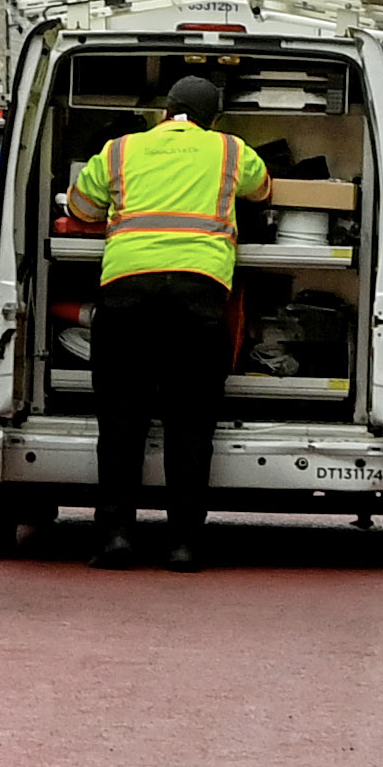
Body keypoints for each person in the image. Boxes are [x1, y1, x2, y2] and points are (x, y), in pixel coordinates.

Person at [66, 70, 271, 570]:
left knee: (120, 420)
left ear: (164, 112)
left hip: (127, 293)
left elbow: (81, 206)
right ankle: (183, 544)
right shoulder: (229, 149)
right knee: (191, 424)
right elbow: (263, 191)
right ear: (212, 119)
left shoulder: (119, 150)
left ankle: (114, 536)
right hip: (199, 295)